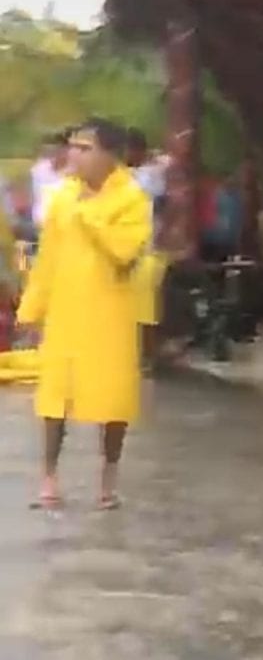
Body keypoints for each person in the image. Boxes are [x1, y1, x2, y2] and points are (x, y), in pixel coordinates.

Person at [16, 118, 151, 510]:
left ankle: (108, 478)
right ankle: (49, 477)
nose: (74, 154)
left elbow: (125, 253)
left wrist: (90, 216)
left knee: (112, 398)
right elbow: (48, 260)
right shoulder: (62, 198)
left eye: (85, 148)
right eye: (72, 146)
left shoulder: (132, 199)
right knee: (55, 396)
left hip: (110, 313)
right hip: (66, 310)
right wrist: (32, 310)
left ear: (111, 155)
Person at [124, 128, 169, 370]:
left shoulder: (150, 175)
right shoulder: (128, 175)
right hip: (127, 248)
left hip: (146, 249)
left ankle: (148, 357)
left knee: (145, 310)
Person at [30, 129, 71, 232]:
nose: (58, 153)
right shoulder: (39, 169)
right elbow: (34, 197)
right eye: (57, 148)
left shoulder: (76, 174)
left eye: (64, 149)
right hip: (39, 223)